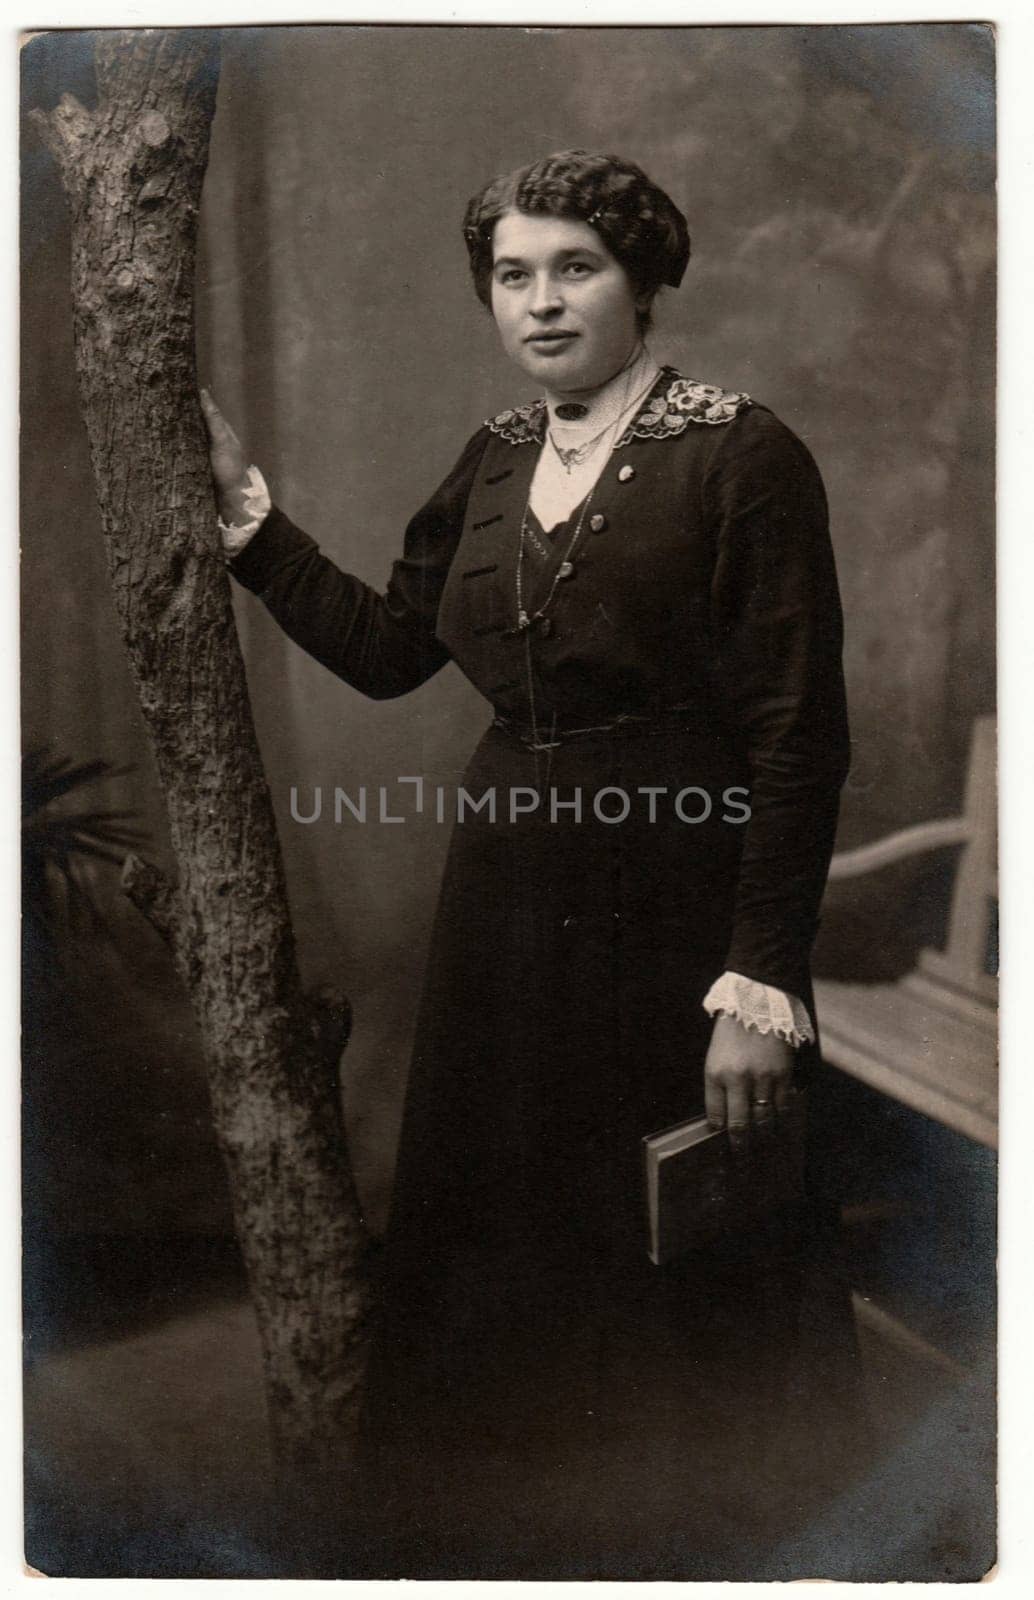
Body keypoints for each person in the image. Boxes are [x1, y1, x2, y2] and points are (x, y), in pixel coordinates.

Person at [201, 149, 861, 1579]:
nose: (542, 302)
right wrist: (250, 526)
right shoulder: (496, 456)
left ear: (642, 281)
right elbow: (387, 654)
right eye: (513, 274)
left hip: (680, 917)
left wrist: (758, 986)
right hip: (504, 920)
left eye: (576, 268)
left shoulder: (741, 451)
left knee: (682, 1256)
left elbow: (798, 740)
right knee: (507, 1249)